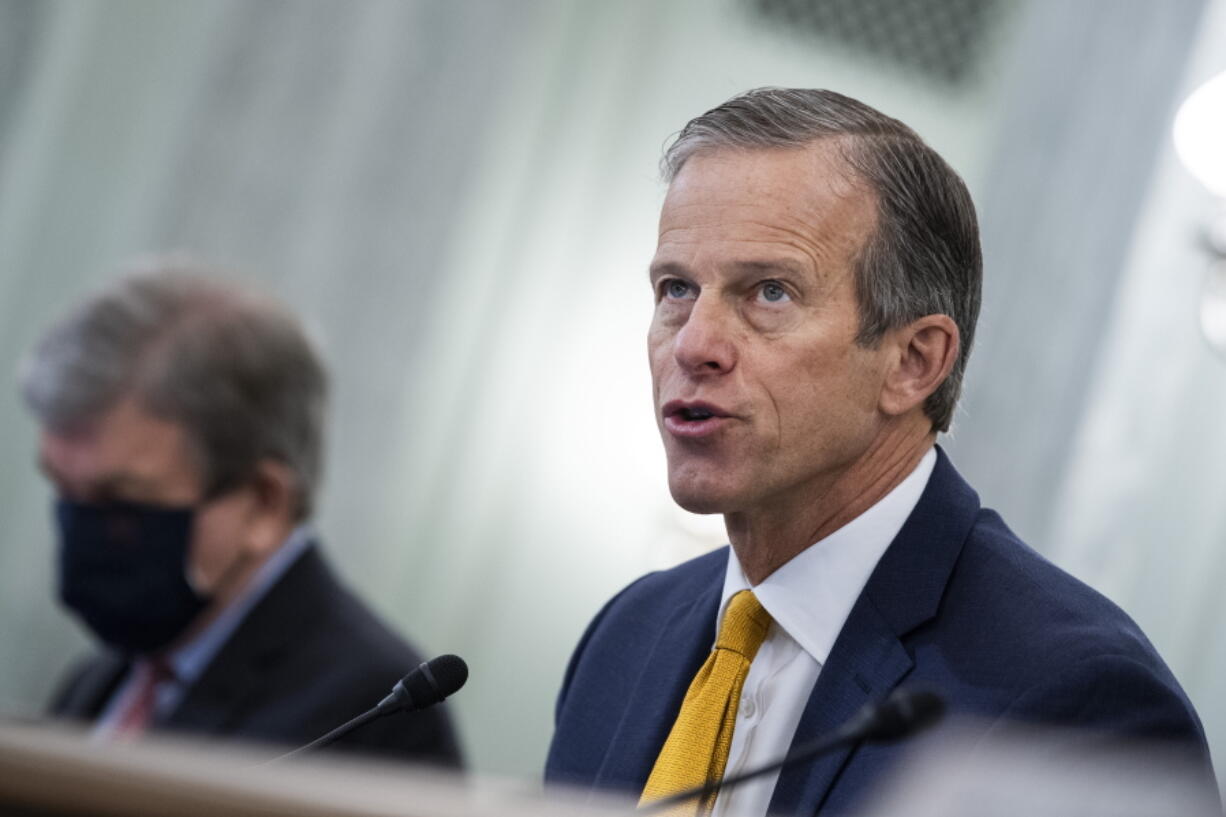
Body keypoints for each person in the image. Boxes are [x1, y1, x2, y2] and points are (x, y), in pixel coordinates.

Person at [545, 89, 1214, 815]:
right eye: (677, 288)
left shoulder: (1074, 703)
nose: (694, 344)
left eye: (769, 292)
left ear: (913, 362)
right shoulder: (628, 636)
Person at [22, 261, 462, 766]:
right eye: (64, 490)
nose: (81, 528)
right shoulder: (104, 678)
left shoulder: (375, 718)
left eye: (119, 501)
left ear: (264, 503)